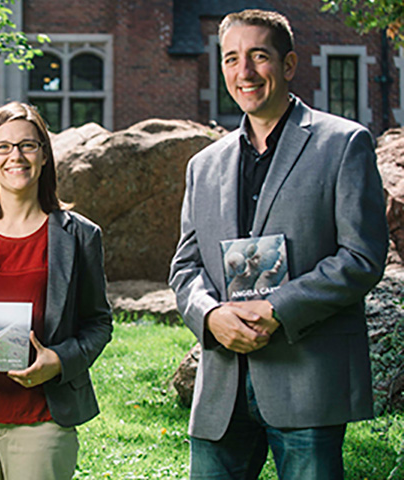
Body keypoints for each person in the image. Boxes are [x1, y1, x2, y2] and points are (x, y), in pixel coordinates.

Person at [169, 9, 388, 480]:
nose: (243, 72)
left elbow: (362, 256)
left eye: (258, 56)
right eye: (231, 58)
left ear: (288, 65)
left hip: (307, 375)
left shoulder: (343, 144)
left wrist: (277, 308)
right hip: (222, 384)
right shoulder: (203, 165)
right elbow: (186, 266)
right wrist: (209, 315)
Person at [0, 101, 112, 480]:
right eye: (3, 147)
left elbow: (98, 324)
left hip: (44, 422)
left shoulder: (79, 236)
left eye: (28, 145)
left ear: (44, 155)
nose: (17, 156)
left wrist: (60, 361)